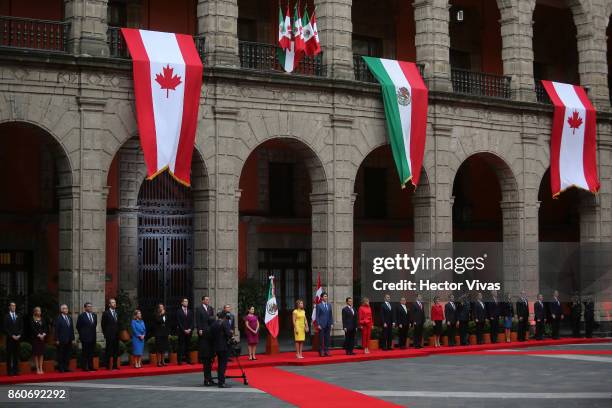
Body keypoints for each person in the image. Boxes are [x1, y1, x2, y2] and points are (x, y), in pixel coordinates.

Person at [196, 297, 215, 384]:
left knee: (209, 361)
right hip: (203, 331)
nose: (208, 300)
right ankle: (206, 379)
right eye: (206, 299)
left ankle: (209, 378)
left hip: (210, 332)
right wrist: (199, 329)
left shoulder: (210, 308)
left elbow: (212, 319)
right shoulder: (199, 309)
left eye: (208, 299)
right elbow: (198, 320)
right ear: (203, 300)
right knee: (206, 361)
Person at [211, 311, 232, 388]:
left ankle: (220, 381)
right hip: (224, 347)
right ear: (224, 317)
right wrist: (231, 333)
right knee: (223, 365)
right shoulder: (225, 323)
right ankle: (221, 382)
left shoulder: (214, 324)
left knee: (220, 364)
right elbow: (228, 334)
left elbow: (212, 334)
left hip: (216, 347)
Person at [76, 302, 97, 371]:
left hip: (93, 337)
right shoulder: (81, 316)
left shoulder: (94, 315)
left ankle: (91, 366)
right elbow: (78, 326)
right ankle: (84, 367)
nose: (90, 308)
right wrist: (82, 334)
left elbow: (94, 325)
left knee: (91, 352)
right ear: (85, 308)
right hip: (85, 337)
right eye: (88, 306)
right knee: (85, 353)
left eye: (91, 306)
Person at [4, 302, 23, 376]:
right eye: (12, 306)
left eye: (14, 306)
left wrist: (19, 335)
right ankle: (9, 372)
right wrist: (12, 335)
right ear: (9, 307)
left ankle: (16, 371)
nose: (13, 307)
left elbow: (21, 327)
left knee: (16, 355)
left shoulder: (19, 316)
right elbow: (5, 328)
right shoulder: (6, 316)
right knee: (9, 355)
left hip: (17, 339)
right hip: (10, 339)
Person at [101, 298, 120, 370]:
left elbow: (118, 324)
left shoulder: (117, 313)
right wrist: (105, 334)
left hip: (116, 335)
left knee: (116, 351)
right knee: (109, 351)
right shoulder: (106, 313)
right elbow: (103, 325)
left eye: (115, 302)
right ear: (109, 304)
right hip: (109, 335)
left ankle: (115, 365)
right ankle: (108, 366)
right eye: (112, 303)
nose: (114, 304)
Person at [55, 304, 74, 373]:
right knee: (61, 354)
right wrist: (57, 339)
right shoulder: (58, 318)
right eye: (64, 308)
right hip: (61, 339)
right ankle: (61, 368)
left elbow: (71, 328)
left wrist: (72, 338)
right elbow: (56, 329)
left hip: (69, 339)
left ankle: (66, 367)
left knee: (67, 354)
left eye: (67, 308)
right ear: (61, 310)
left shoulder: (69, 317)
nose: (66, 310)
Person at [176, 298, 194, 365]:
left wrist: (190, 329)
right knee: (181, 346)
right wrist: (184, 330)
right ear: (182, 303)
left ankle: (188, 360)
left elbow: (192, 321)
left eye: (187, 301)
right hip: (181, 331)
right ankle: (179, 360)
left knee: (188, 346)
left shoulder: (190, 311)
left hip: (189, 331)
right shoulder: (178, 311)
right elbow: (179, 322)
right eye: (185, 301)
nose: (186, 302)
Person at [30, 306, 47, 374]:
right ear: (35, 312)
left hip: (42, 339)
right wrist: (39, 335)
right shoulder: (32, 319)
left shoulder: (43, 319)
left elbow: (45, 328)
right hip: (36, 339)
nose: (39, 312)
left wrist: (43, 334)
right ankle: (37, 368)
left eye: (40, 311)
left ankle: (41, 367)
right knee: (36, 354)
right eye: (38, 311)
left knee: (41, 353)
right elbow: (32, 329)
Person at [315, 292, 333, 357]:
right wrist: (318, 324)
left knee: (327, 338)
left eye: (326, 296)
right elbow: (317, 316)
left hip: (328, 324)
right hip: (321, 324)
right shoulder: (319, 305)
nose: (326, 297)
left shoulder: (329, 305)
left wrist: (331, 323)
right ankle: (321, 351)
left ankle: (327, 350)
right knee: (321, 338)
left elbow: (331, 315)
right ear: (322, 298)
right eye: (325, 296)